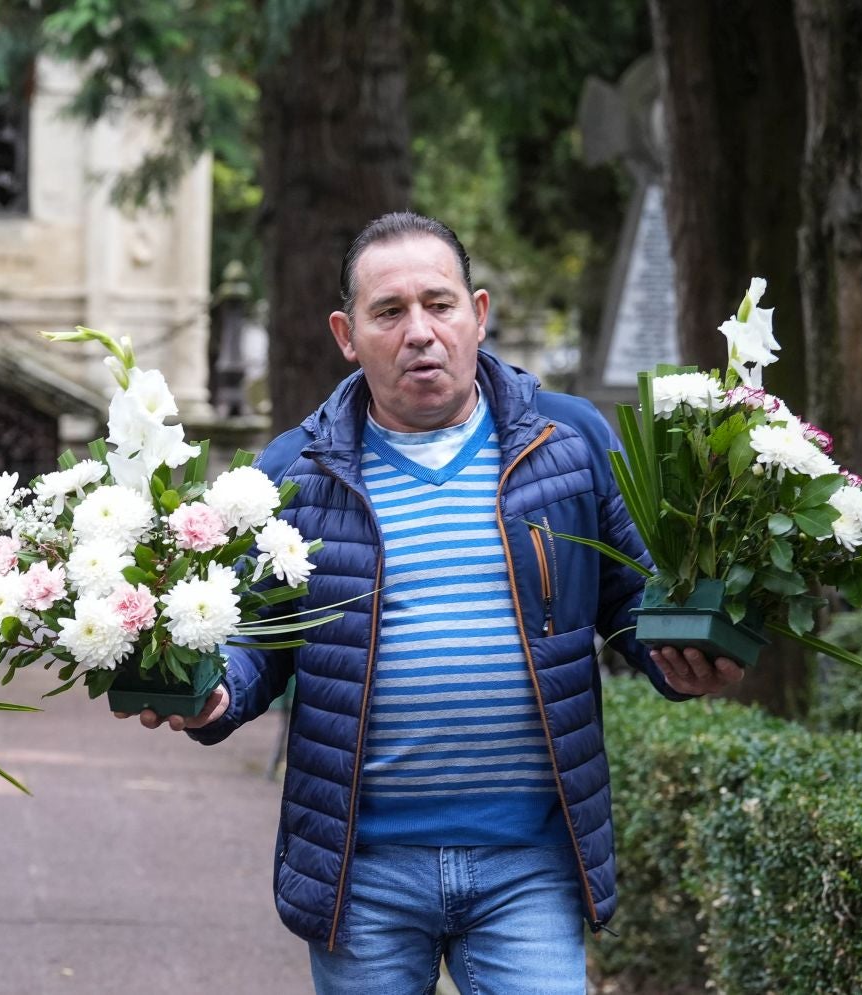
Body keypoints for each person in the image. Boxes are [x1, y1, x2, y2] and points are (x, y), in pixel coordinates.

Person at [128, 212, 744, 993]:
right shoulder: (295, 471)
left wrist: (677, 662)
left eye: (439, 304)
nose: (419, 331)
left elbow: (633, 602)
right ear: (347, 334)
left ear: (478, 314)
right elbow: (258, 638)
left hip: (530, 863)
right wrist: (214, 693)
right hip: (363, 870)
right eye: (389, 312)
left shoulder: (569, 442)